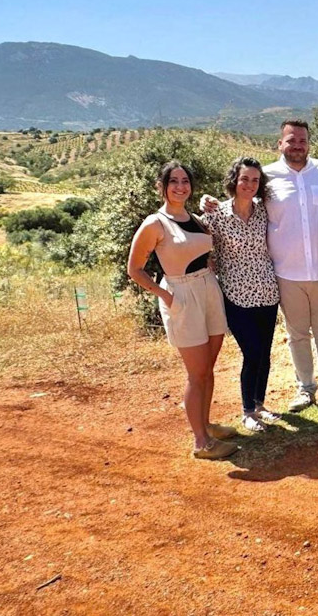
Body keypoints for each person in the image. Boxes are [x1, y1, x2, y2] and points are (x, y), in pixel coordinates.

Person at [127, 161, 236, 460]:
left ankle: (206, 424)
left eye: (185, 181)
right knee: (196, 373)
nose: (180, 186)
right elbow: (134, 269)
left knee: (208, 370)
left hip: (209, 290)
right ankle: (201, 442)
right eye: (173, 181)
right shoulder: (155, 223)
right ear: (162, 186)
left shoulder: (196, 219)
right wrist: (167, 296)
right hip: (182, 295)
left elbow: (204, 251)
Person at [260, 120, 318, 415]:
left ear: (308, 143)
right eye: (291, 140)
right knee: (297, 333)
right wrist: (211, 204)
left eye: (302, 140)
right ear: (280, 143)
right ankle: (305, 389)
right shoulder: (265, 177)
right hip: (286, 272)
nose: (297, 145)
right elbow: (242, 207)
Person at [200, 157, 282, 433]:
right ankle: (247, 410)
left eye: (255, 180)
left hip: (267, 292)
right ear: (234, 180)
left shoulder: (263, 211)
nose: (249, 184)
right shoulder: (217, 214)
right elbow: (198, 244)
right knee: (252, 352)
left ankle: (259, 404)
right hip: (235, 296)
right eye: (244, 178)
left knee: (265, 354)